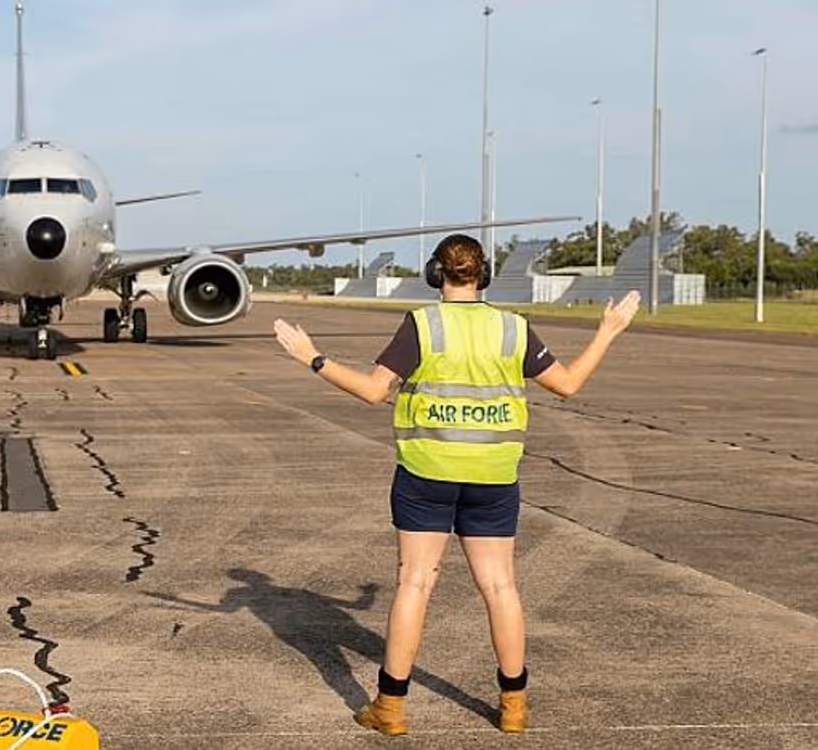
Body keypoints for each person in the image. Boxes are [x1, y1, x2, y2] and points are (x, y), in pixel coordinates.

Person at [273, 233, 640, 735]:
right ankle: (513, 706)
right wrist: (608, 329)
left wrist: (312, 358)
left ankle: (391, 707)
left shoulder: (423, 325)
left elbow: (373, 391)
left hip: (427, 473)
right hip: (493, 477)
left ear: (435, 275)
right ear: (482, 274)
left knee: (416, 584)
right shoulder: (513, 329)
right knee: (500, 586)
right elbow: (569, 383)